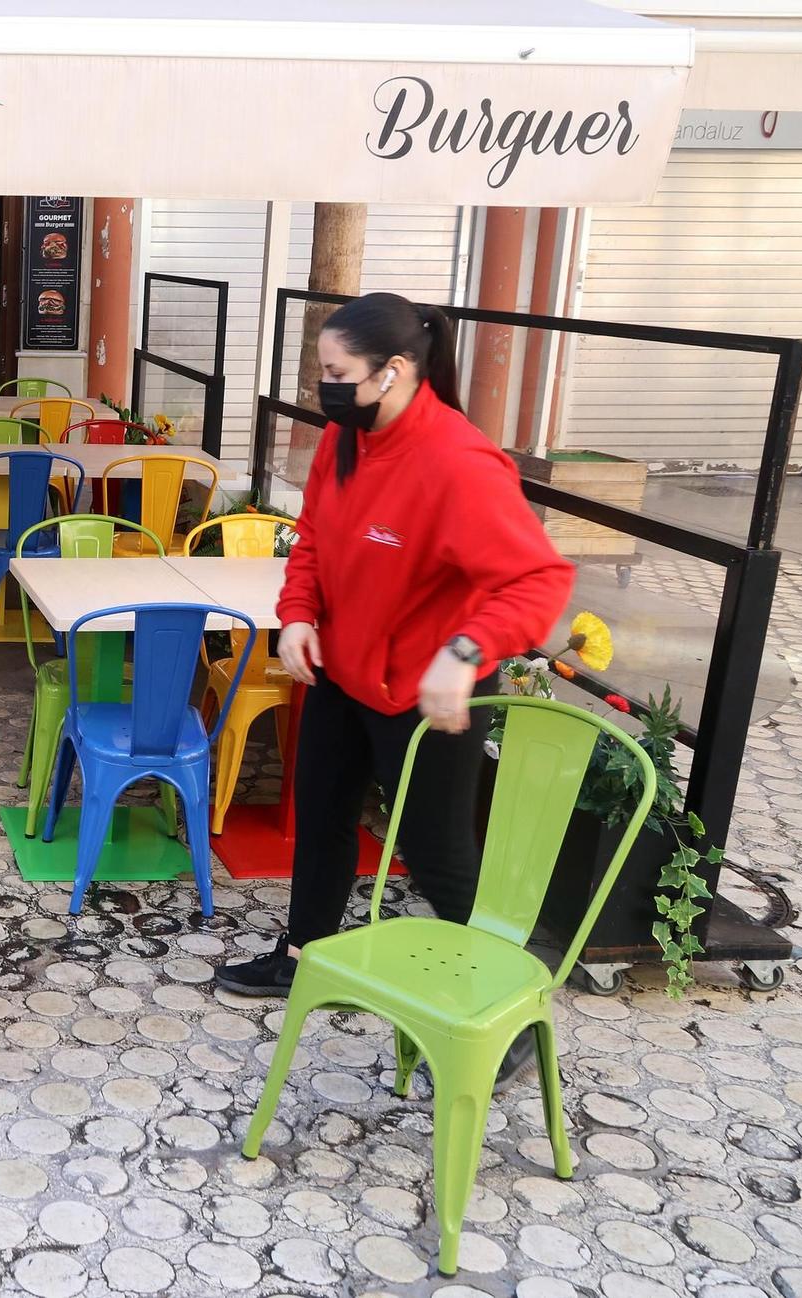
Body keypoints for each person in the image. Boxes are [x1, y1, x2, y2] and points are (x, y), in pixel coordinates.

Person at [215, 293, 573, 1051]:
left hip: (430, 690)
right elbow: (311, 538)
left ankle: (502, 1019)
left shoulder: (458, 462)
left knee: (437, 855)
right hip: (342, 673)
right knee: (321, 817)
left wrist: (466, 653)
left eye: (337, 372)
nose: (325, 386)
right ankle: (301, 952)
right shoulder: (347, 440)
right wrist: (300, 612)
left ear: (394, 372)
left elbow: (538, 581)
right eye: (322, 370)